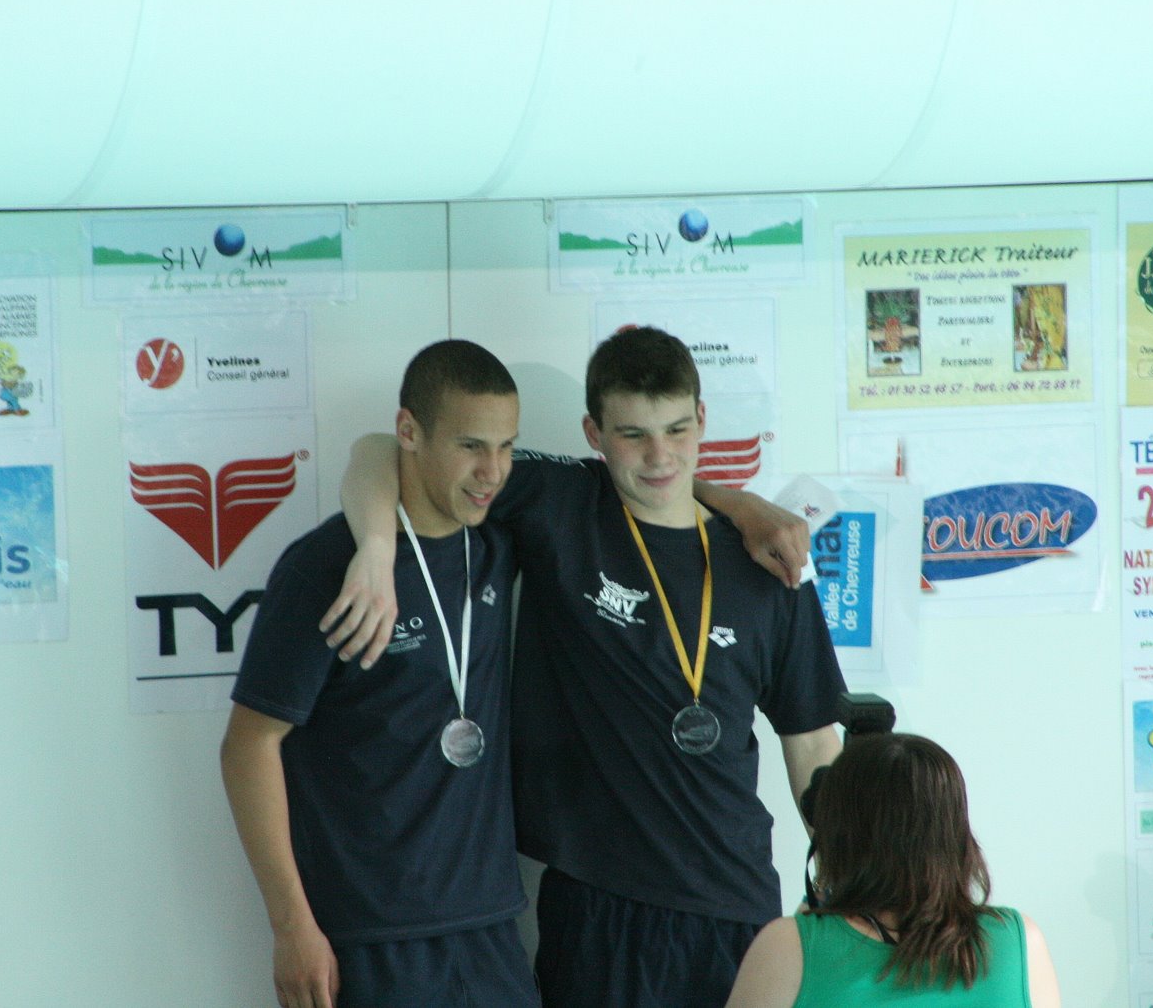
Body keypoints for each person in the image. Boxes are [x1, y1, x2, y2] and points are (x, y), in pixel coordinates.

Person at [328, 326, 845, 1008]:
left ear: (702, 420)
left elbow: (812, 742)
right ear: (594, 434)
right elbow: (380, 451)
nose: (659, 455)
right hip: (597, 906)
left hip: (735, 905)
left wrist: (850, 882)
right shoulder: (563, 503)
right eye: (632, 435)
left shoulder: (769, 561)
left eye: (676, 429)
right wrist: (374, 547)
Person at [220, 340, 539, 1008]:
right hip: (367, 939)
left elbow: (648, 479)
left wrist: (747, 507)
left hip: (489, 931)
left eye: (506, 447)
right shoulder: (324, 568)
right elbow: (248, 745)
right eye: (471, 446)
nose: (493, 471)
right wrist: (291, 927)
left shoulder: (496, 541)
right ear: (410, 433)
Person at [725, 733, 1062, 1008]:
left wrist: (819, 897)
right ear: (955, 836)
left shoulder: (788, 947)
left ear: (837, 833)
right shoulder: (1018, 941)